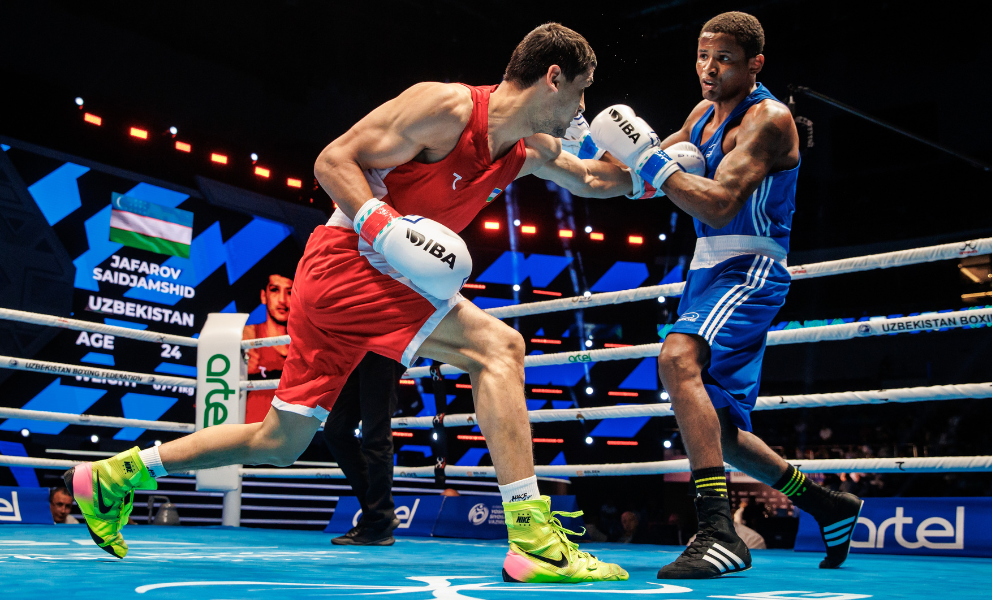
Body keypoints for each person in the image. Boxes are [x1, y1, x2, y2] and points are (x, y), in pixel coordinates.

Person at [65, 22, 638, 583]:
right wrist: (385, 229)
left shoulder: (527, 147)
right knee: (499, 348)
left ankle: (117, 473)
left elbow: (593, 180)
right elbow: (332, 159)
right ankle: (535, 539)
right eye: (583, 89)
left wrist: (659, 170)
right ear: (554, 78)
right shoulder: (445, 108)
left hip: (351, 284)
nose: (583, 107)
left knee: (279, 442)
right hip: (351, 262)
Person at [588, 11, 862, 579]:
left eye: (725, 60)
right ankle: (827, 506)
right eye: (702, 57)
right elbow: (637, 180)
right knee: (720, 428)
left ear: (755, 63)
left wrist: (651, 161)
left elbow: (716, 201)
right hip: (706, 269)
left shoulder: (769, 119)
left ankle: (719, 531)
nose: (709, 70)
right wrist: (558, 158)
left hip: (751, 264)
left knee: (676, 357)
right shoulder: (701, 115)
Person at [324, 352, 406, 546]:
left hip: (384, 347)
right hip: (356, 349)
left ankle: (378, 522)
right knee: (336, 431)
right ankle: (379, 514)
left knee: (375, 434)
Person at [244, 273, 293, 424]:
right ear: (264, 296)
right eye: (275, 290)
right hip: (253, 433)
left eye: (289, 292)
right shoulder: (247, 335)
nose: (282, 300)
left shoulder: (304, 344)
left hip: (290, 434)